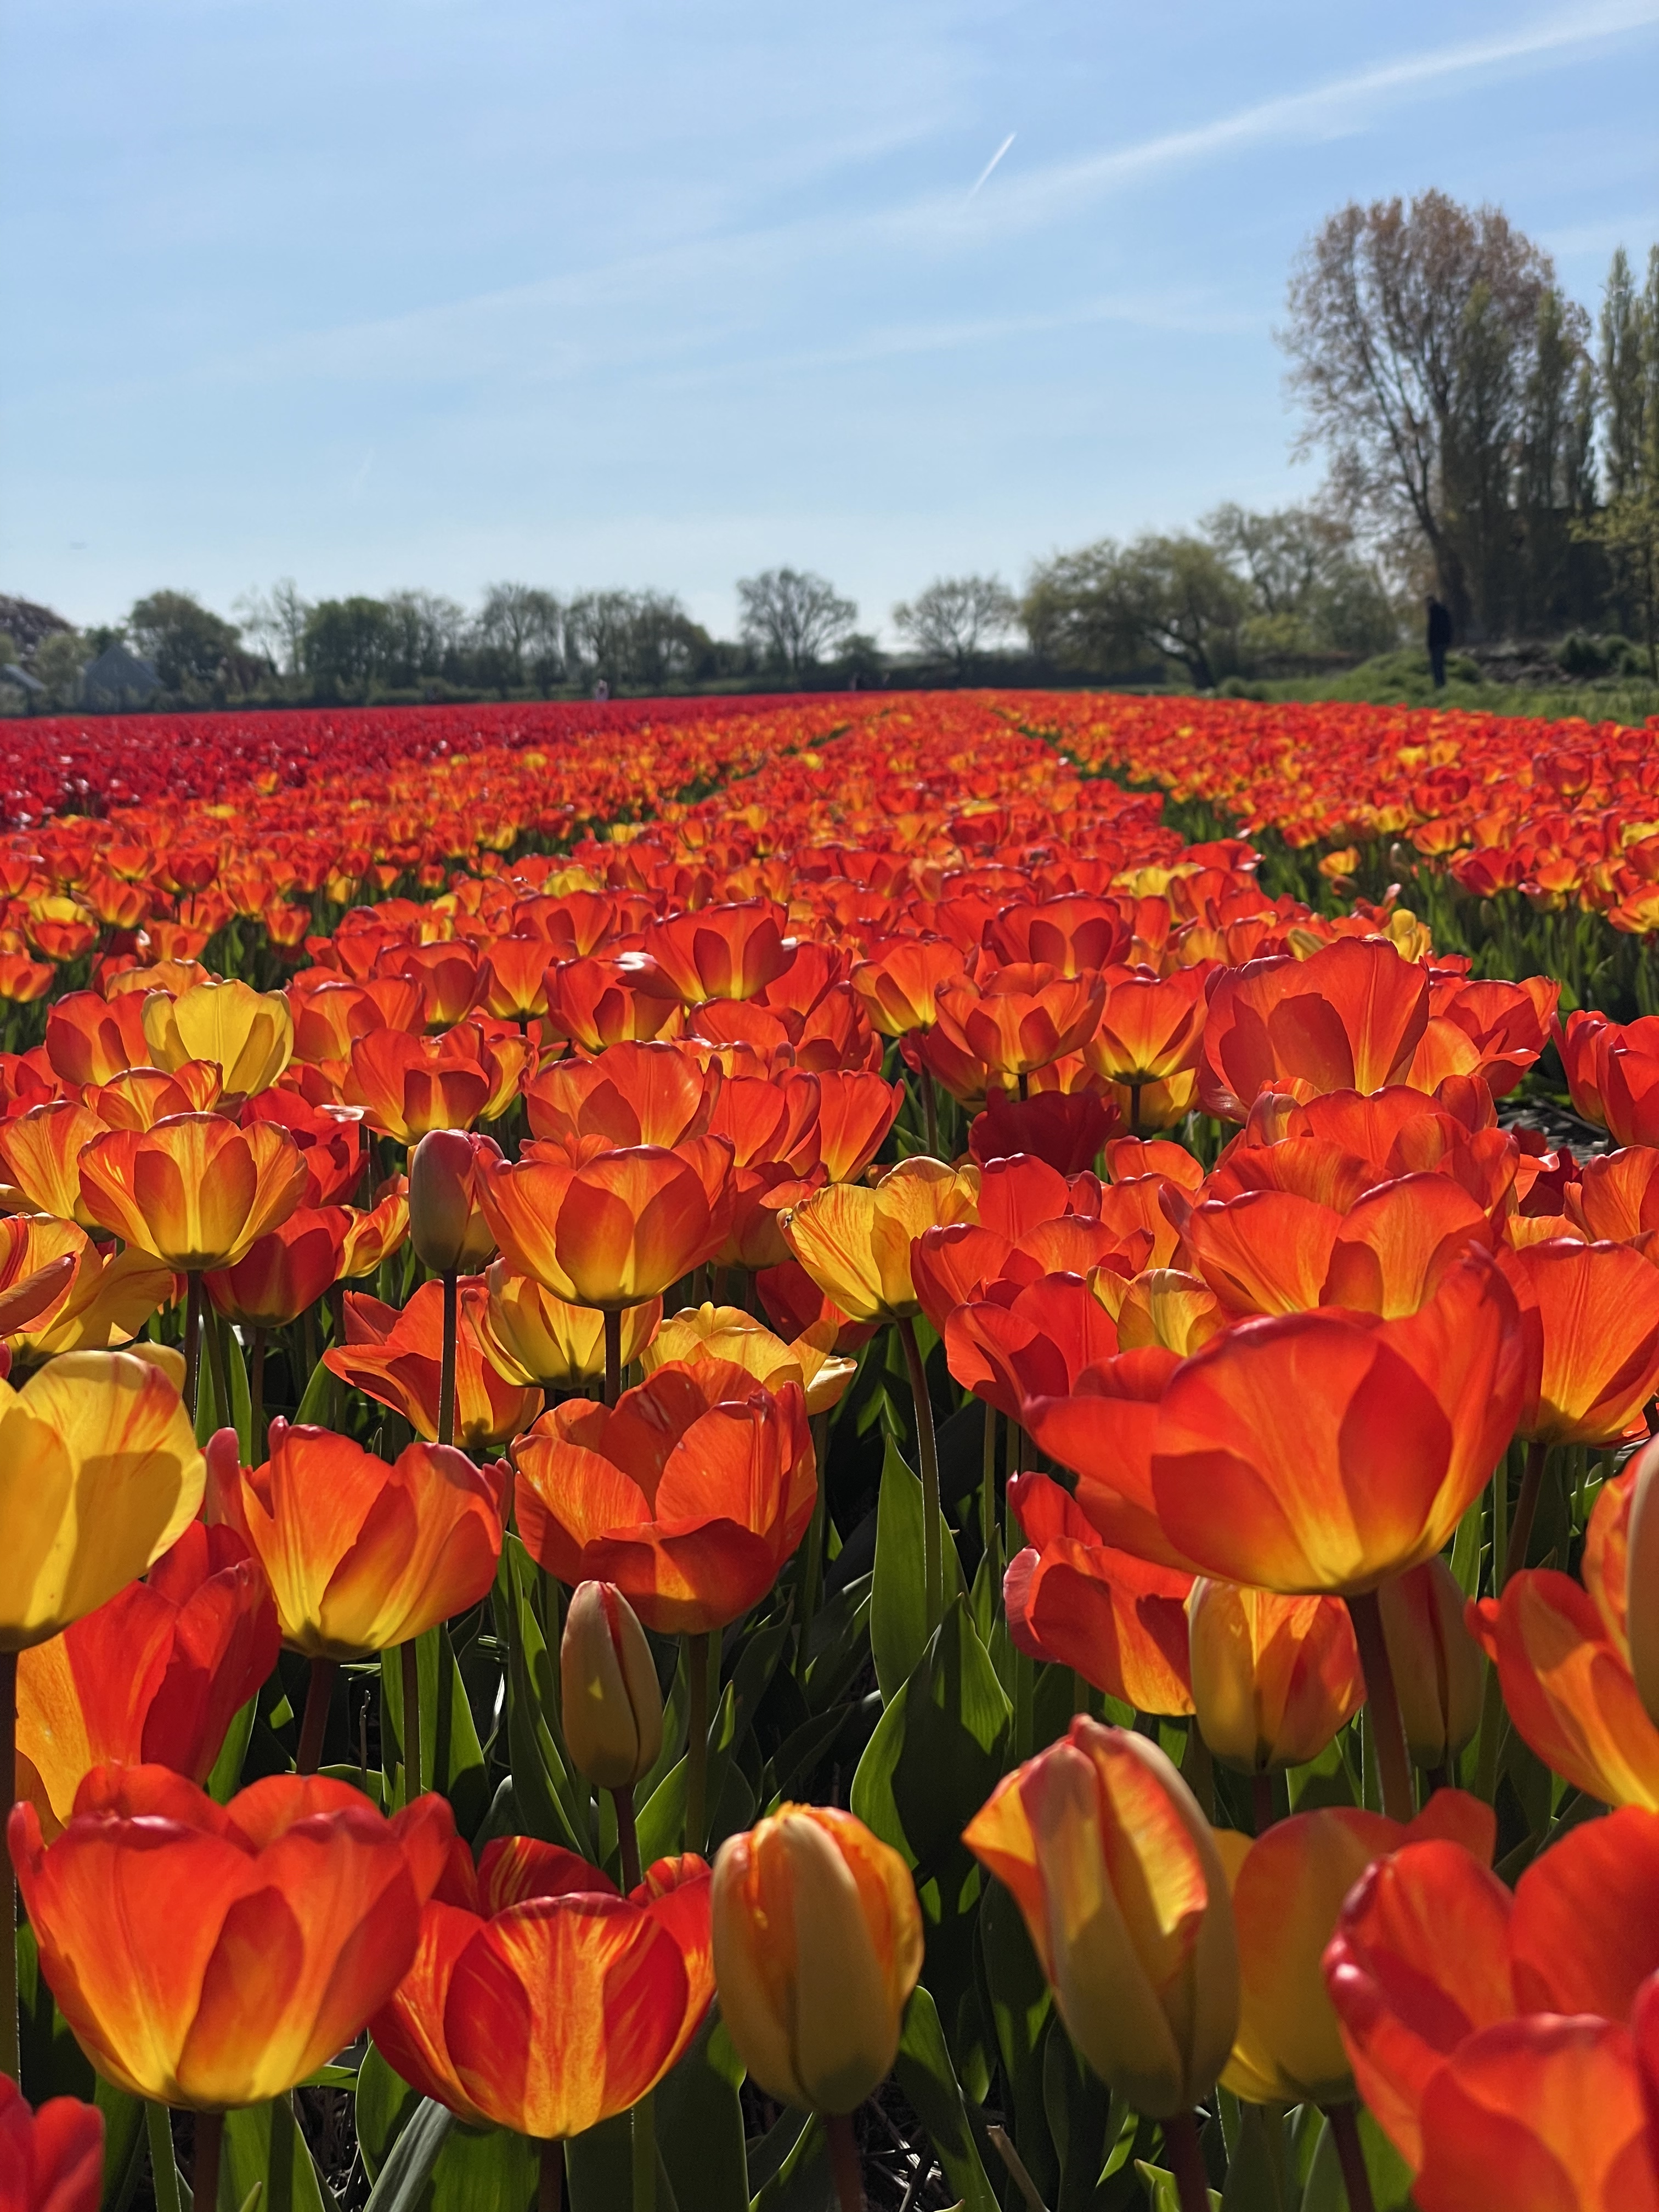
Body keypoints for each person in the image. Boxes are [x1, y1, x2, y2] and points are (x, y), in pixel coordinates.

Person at [1425, 597, 1452, 690]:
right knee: (1441, 664)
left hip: (1436, 643)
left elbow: (1432, 631)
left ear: (1430, 602)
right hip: (1444, 642)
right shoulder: (1444, 611)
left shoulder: (1433, 612)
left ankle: (1439, 685)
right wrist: (1448, 641)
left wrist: (1429, 645)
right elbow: (1449, 627)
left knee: (1436, 665)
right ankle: (1443, 684)